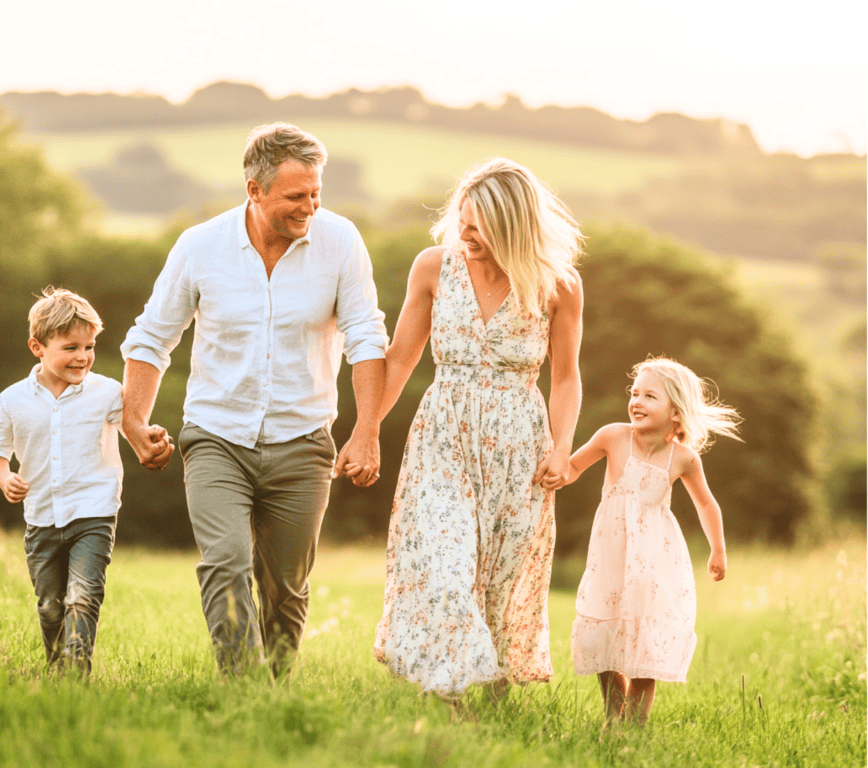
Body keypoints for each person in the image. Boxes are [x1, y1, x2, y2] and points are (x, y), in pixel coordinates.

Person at [120, 122, 388, 676]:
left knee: (285, 589)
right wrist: (134, 421)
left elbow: (365, 336)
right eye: (295, 196)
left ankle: (276, 692)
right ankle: (243, 689)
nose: (309, 206)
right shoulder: (201, 247)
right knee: (226, 564)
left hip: (303, 440)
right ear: (255, 189)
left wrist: (366, 432)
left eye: (316, 193)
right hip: (217, 436)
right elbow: (151, 337)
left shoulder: (341, 243)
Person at [369, 157, 584, 697]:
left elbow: (565, 379)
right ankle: (447, 696)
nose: (464, 233)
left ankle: (492, 696)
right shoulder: (432, 268)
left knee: (500, 577)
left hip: (519, 447)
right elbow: (398, 361)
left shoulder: (558, 284)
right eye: (460, 220)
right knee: (444, 562)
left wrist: (562, 450)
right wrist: (364, 429)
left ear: (513, 224)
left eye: (478, 225)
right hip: (443, 437)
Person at [0, 287, 171, 674]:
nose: (82, 357)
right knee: (50, 605)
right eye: (70, 347)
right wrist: (6, 478)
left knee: (83, 596)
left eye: (89, 347)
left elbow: (134, 430)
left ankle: (76, 674)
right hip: (42, 518)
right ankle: (56, 664)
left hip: (94, 513)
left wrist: (153, 439)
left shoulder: (107, 393)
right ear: (38, 347)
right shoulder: (12, 400)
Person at [567, 357, 741, 726]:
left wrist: (718, 550)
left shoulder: (683, 458)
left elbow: (706, 503)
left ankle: (637, 723)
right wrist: (548, 476)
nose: (637, 401)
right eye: (634, 393)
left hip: (655, 559)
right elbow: (572, 467)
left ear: (676, 413)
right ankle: (613, 717)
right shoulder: (613, 436)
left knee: (648, 634)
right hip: (611, 554)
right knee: (605, 632)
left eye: (650, 396)